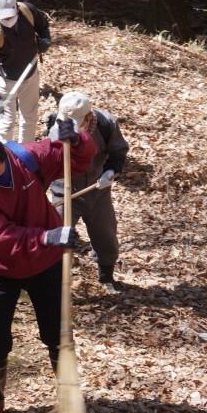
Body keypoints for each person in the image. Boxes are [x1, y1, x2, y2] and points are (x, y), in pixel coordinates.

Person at [0, 113, 97, 413]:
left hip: (44, 263)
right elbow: (0, 237)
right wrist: (47, 236)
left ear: (1, 163)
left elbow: (78, 160)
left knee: (57, 331)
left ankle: (69, 394)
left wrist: (76, 139)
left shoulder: (27, 157)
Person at [46, 91, 129, 292]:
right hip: (64, 192)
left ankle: (106, 276)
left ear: (88, 115)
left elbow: (119, 151)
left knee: (105, 235)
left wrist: (111, 171)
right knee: (57, 237)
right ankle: (51, 282)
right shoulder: (54, 126)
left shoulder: (106, 123)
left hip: (97, 189)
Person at [0, 0, 52, 143]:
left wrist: (45, 41)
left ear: (17, 9)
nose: (7, 20)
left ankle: (26, 156)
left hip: (30, 75)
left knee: (29, 118)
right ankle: (4, 161)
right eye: (3, 17)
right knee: (6, 124)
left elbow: (43, 26)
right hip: (5, 80)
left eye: (10, 16)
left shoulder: (28, 11)